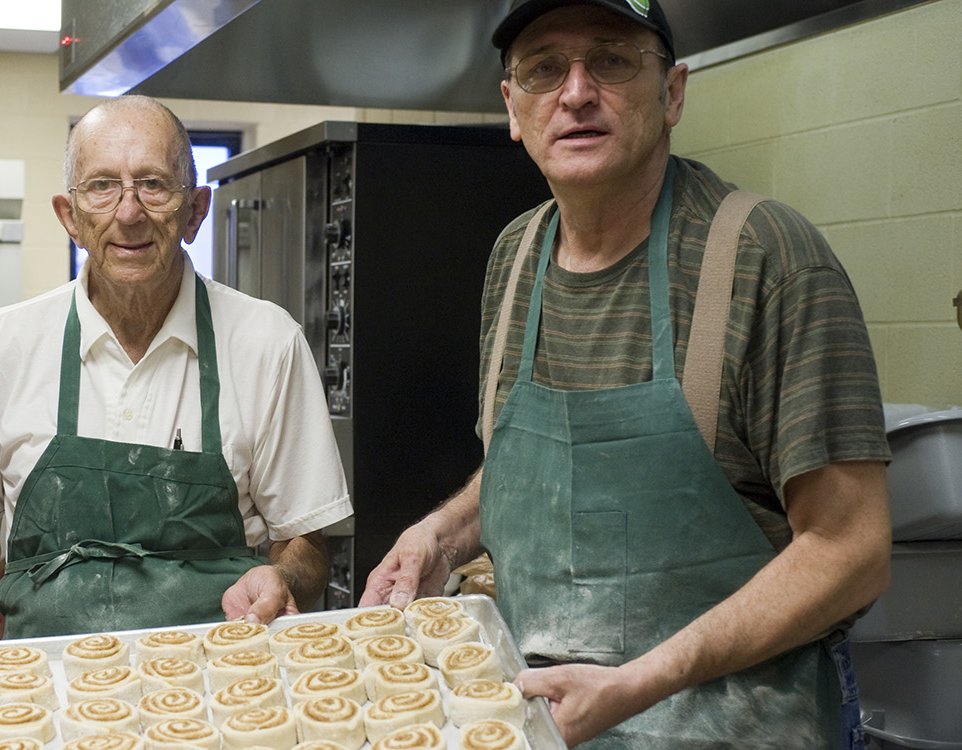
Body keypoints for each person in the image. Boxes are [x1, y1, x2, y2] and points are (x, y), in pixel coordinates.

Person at [360, 1, 892, 747]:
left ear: (672, 93)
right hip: (542, 715)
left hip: (736, 724)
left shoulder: (766, 259)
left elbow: (851, 551)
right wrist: (438, 537)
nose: (575, 92)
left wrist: (644, 681)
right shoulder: (515, 260)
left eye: (610, 60)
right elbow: (537, 478)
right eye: (545, 68)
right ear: (513, 108)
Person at [0, 95, 352, 639]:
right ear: (69, 217)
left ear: (195, 211)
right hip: (46, 687)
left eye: (153, 183)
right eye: (101, 186)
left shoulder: (267, 343)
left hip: (222, 689)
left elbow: (307, 544)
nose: (128, 212)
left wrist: (282, 575)